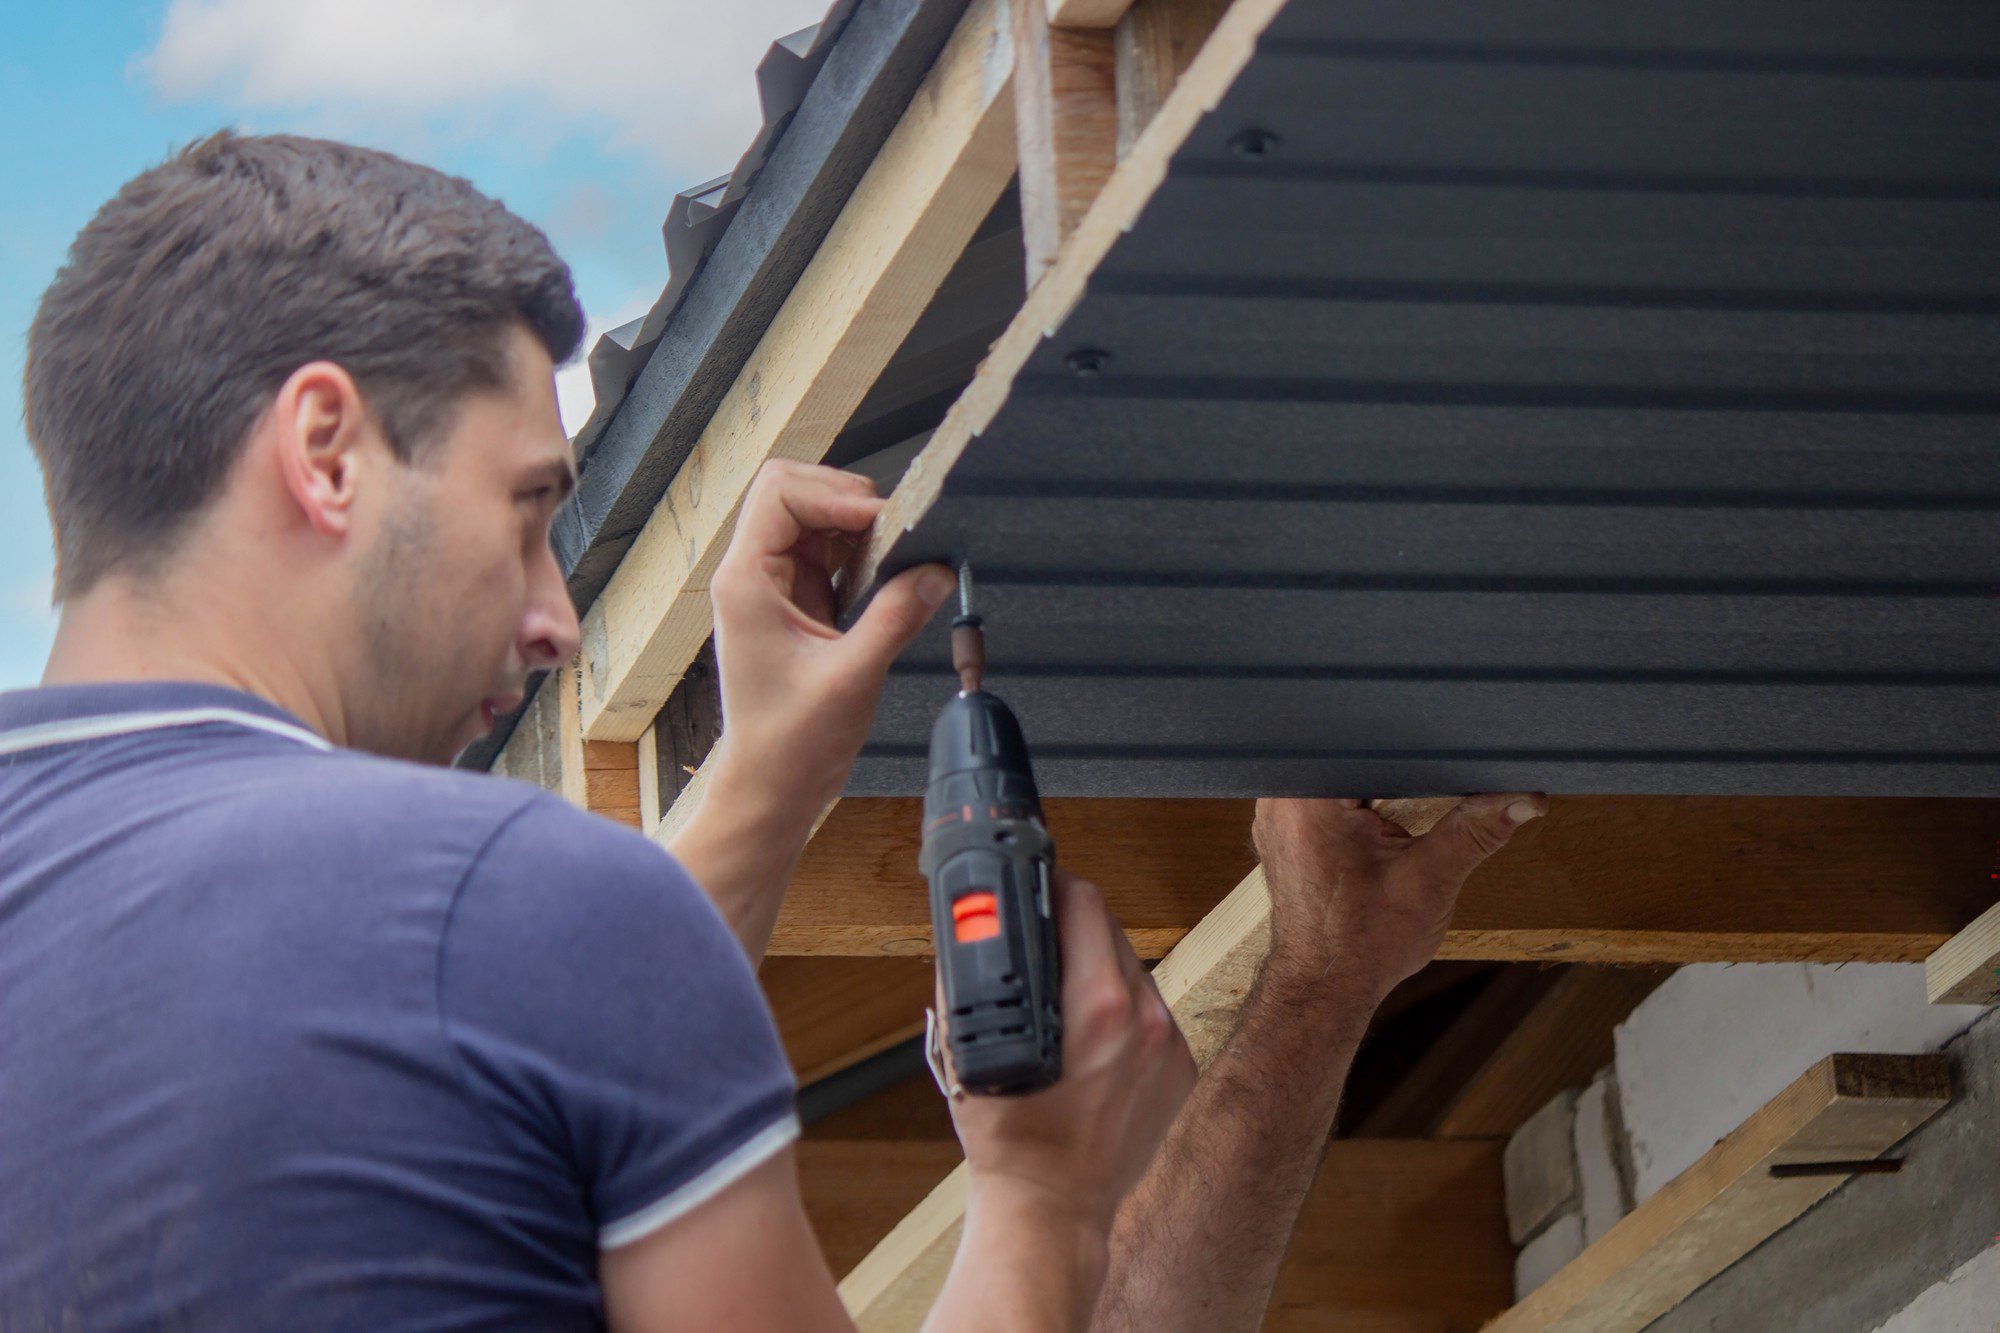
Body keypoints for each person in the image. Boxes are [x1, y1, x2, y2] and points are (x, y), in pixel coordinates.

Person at [0, 131, 1543, 1331]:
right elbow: (526, 962)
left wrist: (770, 774)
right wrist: (1044, 1194)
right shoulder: (515, 910)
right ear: (327, 449)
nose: (554, 619)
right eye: (528, 510)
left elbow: (494, 997)